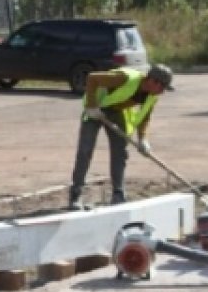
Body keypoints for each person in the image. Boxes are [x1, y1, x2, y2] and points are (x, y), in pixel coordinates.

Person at [67, 63, 175, 210]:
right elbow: (93, 78)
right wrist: (92, 105)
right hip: (95, 108)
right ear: (152, 81)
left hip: (115, 112)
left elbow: (145, 117)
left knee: (120, 152)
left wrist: (143, 138)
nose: (162, 92)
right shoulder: (124, 78)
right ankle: (76, 193)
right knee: (85, 151)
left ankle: (118, 194)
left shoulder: (152, 96)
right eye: (162, 87)